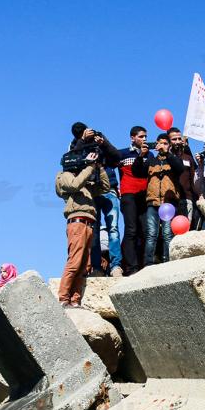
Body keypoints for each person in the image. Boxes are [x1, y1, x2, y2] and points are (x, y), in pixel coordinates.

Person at [55, 148, 110, 307]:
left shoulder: (86, 178)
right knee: (75, 261)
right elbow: (74, 184)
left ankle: (75, 299)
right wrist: (89, 167)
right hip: (77, 222)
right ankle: (63, 298)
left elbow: (105, 187)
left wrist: (99, 167)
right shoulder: (64, 176)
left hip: (89, 223)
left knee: (85, 264)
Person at [70, 123, 122, 277]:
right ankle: (96, 267)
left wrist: (103, 143)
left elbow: (116, 158)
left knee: (113, 229)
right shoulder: (76, 145)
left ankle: (116, 266)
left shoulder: (99, 140)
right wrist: (82, 142)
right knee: (94, 232)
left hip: (109, 189)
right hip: (91, 191)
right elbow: (72, 162)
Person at [134, 133, 184, 265]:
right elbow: (137, 172)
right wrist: (141, 155)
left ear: (169, 145)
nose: (162, 146)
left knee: (168, 234)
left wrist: (167, 154)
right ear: (155, 144)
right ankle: (148, 264)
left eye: (165, 143)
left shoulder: (173, 159)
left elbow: (180, 169)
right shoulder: (151, 161)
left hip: (169, 202)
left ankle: (168, 263)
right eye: (160, 143)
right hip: (153, 201)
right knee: (151, 234)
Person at [117, 126, 150, 275]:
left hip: (145, 195)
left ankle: (143, 265)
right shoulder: (122, 153)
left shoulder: (150, 154)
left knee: (145, 231)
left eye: (145, 137)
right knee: (131, 230)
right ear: (132, 138)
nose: (144, 139)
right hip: (128, 195)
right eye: (141, 136)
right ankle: (131, 268)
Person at [168, 127, 198, 222]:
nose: (177, 141)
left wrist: (198, 195)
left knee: (186, 231)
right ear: (168, 141)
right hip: (169, 199)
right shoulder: (164, 157)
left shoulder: (188, 158)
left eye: (179, 138)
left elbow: (194, 178)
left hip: (187, 198)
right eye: (174, 139)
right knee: (169, 232)